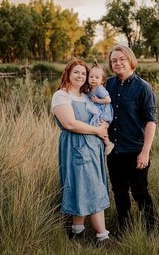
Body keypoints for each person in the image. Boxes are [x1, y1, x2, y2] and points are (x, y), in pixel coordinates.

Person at [51, 58, 110, 244]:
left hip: (92, 148)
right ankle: (103, 237)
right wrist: (97, 130)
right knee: (92, 188)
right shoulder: (61, 95)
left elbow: (101, 114)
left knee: (82, 186)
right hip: (76, 146)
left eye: (83, 73)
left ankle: (77, 232)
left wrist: (104, 126)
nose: (80, 76)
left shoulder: (86, 96)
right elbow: (69, 123)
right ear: (68, 73)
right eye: (76, 72)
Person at [106, 45, 157, 234]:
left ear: (130, 61)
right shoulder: (107, 85)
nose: (117, 63)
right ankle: (123, 228)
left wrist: (145, 152)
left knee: (140, 192)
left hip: (136, 151)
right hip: (114, 150)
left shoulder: (143, 88)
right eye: (114, 60)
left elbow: (151, 122)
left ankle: (151, 229)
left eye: (121, 59)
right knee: (119, 192)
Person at [88, 61, 115, 156]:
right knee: (95, 127)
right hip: (99, 112)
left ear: (102, 81)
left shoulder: (100, 89)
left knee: (101, 126)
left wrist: (97, 101)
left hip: (104, 112)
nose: (93, 79)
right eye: (91, 77)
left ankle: (108, 144)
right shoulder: (90, 89)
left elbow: (108, 100)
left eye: (97, 77)